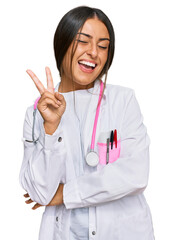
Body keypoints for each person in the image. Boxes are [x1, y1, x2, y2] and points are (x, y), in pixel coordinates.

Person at [19, 5, 155, 240]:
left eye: (103, 46)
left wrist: (65, 193)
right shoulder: (36, 113)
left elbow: (135, 174)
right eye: (84, 41)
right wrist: (50, 128)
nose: (94, 52)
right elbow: (40, 192)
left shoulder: (122, 101)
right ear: (63, 43)